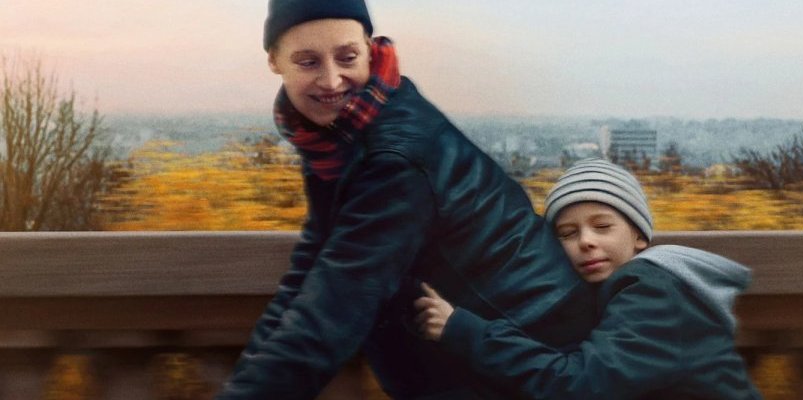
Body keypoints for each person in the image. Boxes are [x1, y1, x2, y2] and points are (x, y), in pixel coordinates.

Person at [215, 1, 598, 399]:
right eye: (308, 62)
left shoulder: (395, 156)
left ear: (369, 48)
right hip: (489, 355)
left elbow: (337, 304)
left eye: (347, 57)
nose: (331, 80)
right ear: (274, 61)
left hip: (530, 362)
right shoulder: (339, 136)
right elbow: (311, 271)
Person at [415, 158, 762, 399]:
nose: (586, 241)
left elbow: (579, 387)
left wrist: (463, 329)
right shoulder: (638, 288)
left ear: (639, 236)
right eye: (567, 233)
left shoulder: (653, 292)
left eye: (602, 226)